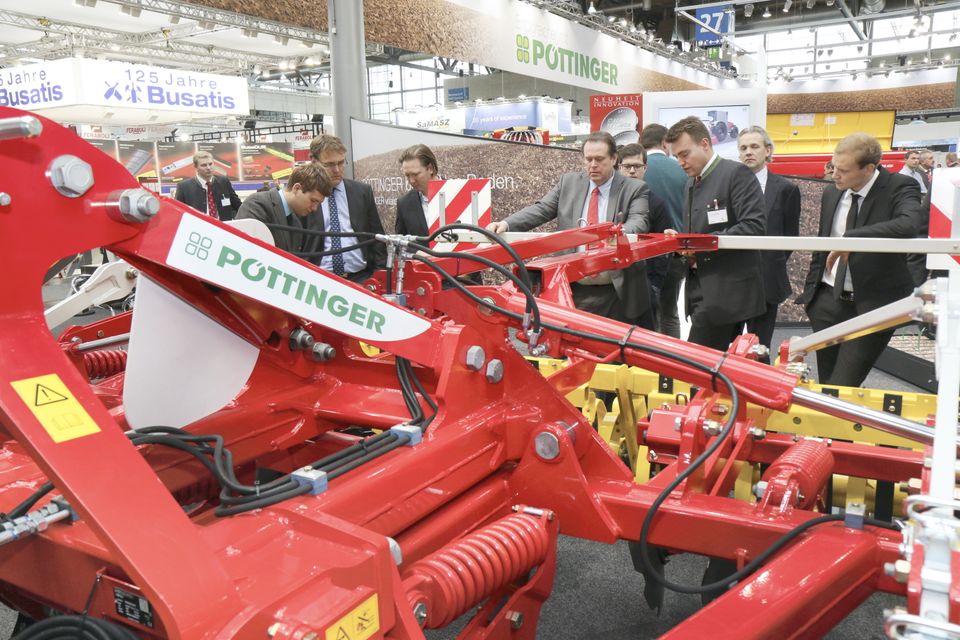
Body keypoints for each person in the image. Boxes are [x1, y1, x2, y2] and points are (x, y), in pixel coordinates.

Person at [487, 131, 652, 326]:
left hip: (617, 291)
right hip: (573, 288)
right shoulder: (569, 183)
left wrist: (618, 233)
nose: (593, 165)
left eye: (599, 159)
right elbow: (541, 209)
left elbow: (639, 221)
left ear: (614, 158)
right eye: (588, 159)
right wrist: (506, 224)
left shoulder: (634, 188)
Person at [797, 132, 921, 387]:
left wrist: (853, 238)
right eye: (833, 167)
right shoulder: (832, 193)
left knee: (843, 385)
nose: (834, 175)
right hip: (827, 301)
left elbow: (909, 225)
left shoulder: (899, 186)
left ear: (869, 168)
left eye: (843, 170)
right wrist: (812, 298)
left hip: (873, 306)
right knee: (827, 385)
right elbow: (822, 245)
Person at [664, 116, 766, 351]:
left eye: (685, 154)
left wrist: (697, 246)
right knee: (710, 363)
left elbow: (753, 226)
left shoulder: (736, 174)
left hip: (726, 291)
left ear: (704, 144)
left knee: (696, 361)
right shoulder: (691, 183)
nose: (680, 162)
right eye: (676, 157)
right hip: (699, 288)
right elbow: (697, 231)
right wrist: (680, 240)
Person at [737, 126, 801, 362]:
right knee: (727, 346)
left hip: (766, 280)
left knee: (760, 347)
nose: (748, 152)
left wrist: (769, 261)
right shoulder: (728, 186)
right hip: (732, 280)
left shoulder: (786, 189)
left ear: (768, 150)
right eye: (743, 148)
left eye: (754, 146)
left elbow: (789, 237)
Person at [309, 134, 387, 282]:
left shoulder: (361, 192)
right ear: (313, 161)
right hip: (319, 280)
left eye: (340, 163)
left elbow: (377, 238)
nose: (337, 170)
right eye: (329, 165)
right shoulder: (306, 195)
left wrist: (378, 277)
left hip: (361, 278)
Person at [640, 123, 689, 339]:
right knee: (669, 312)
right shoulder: (682, 169)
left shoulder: (633, 170)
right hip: (675, 251)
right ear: (664, 143)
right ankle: (671, 356)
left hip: (642, 251)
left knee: (643, 312)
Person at [618, 143, 672, 332]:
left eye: (637, 166)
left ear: (645, 168)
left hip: (645, 282)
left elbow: (663, 246)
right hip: (613, 281)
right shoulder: (610, 200)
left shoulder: (657, 204)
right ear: (619, 167)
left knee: (644, 334)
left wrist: (655, 283)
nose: (632, 171)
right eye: (627, 166)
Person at [235, 163, 333, 255]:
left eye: (318, 203)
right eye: (313, 200)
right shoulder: (256, 204)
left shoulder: (296, 223)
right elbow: (246, 252)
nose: (315, 208)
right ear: (297, 188)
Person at [173, 151, 242, 221]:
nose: (208, 168)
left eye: (210, 164)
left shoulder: (224, 182)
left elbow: (238, 206)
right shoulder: (184, 187)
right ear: (196, 167)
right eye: (204, 165)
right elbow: (177, 212)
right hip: (198, 226)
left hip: (223, 226)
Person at [395, 144, 439, 236]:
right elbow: (400, 240)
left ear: (430, 168)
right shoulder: (404, 204)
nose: (411, 181)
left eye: (415, 174)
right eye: (407, 175)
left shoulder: (458, 192)